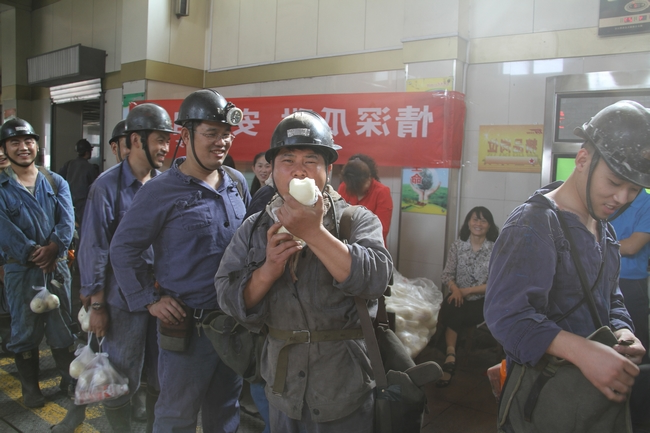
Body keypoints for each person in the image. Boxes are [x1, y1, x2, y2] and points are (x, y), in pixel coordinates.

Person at [215, 110, 392, 432]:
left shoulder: (355, 220)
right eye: (287, 161)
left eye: (311, 161)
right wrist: (268, 270)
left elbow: (376, 279)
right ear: (272, 171)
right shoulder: (255, 228)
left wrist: (314, 233)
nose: (299, 171)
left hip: (344, 385)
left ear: (328, 170)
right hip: (283, 388)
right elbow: (228, 297)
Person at [484, 100, 650, 430]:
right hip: (543, 399)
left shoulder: (604, 227)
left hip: (587, 400)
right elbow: (506, 316)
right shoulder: (534, 224)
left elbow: (610, 296)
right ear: (583, 160)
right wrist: (583, 352)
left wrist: (623, 330)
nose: (622, 198)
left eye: (634, 189)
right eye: (614, 182)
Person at [110, 89, 250, 433]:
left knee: (226, 411)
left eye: (226, 134)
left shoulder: (236, 183)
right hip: (188, 329)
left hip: (233, 325)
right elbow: (123, 248)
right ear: (185, 136)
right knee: (176, 417)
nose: (221, 142)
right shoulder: (160, 191)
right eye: (211, 133)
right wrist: (150, 299)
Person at [78, 103, 173, 432]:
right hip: (120, 302)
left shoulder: (165, 184)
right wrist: (97, 305)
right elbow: (94, 247)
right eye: (159, 140)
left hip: (161, 298)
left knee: (160, 374)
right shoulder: (106, 187)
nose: (165, 148)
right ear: (135, 140)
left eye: (167, 140)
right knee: (119, 375)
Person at [0, 117, 86, 432]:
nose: (23, 148)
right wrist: (32, 253)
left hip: (57, 266)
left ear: (37, 145)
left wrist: (54, 248)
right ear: (5, 148)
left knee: (62, 325)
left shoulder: (55, 181)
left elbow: (67, 219)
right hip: (21, 269)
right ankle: (30, 387)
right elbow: (4, 228)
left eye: (28, 141)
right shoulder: (2, 186)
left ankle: (67, 380)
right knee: (24, 329)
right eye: (15, 143)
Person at [436, 206, 498, 387]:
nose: (478, 224)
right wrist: (456, 290)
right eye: (475, 219)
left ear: (489, 225)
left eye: (483, 220)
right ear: (468, 223)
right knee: (453, 305)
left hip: (481, 301)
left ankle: (449, 355)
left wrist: (467, 291)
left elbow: (494, 284)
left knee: (457, 311)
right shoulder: (458, 245)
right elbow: (446, 275)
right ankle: (451, 354)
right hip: (458, 296)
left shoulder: (495, 249)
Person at [611, 189, 650, 363]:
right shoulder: (609, 198)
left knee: (634, 344)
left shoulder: (646, 204)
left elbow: (632, 246)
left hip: (630, 284)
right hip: (600, 278)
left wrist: (591, 245)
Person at [338, 154, 393, 245]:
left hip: (370, 246)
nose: (367, 183)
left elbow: (382, 230)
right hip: (344, 245)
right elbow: (337, 219)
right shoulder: (344, 187)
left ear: (369, 176)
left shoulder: (382, 192)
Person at [58, 138, 98, 228]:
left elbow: (58, 180)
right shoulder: (90, 167)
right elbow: (95, 188)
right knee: (83, 229)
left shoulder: (69, 164)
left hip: (68, 203)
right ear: (87, 152)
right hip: (83, 205)